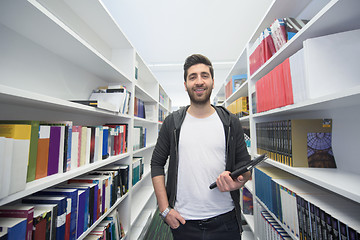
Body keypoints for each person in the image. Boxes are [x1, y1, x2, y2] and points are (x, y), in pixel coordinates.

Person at [151, 54, 251, 240]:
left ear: (213, 82)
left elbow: (246, 167)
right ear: (185, 84)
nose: (199, 81)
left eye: (204, 75)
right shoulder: (172, 123)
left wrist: (238, 181)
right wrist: (165, 209)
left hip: (226, 221)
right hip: (183, 221)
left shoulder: (230, 123)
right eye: (192, 77)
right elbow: (157, 164)